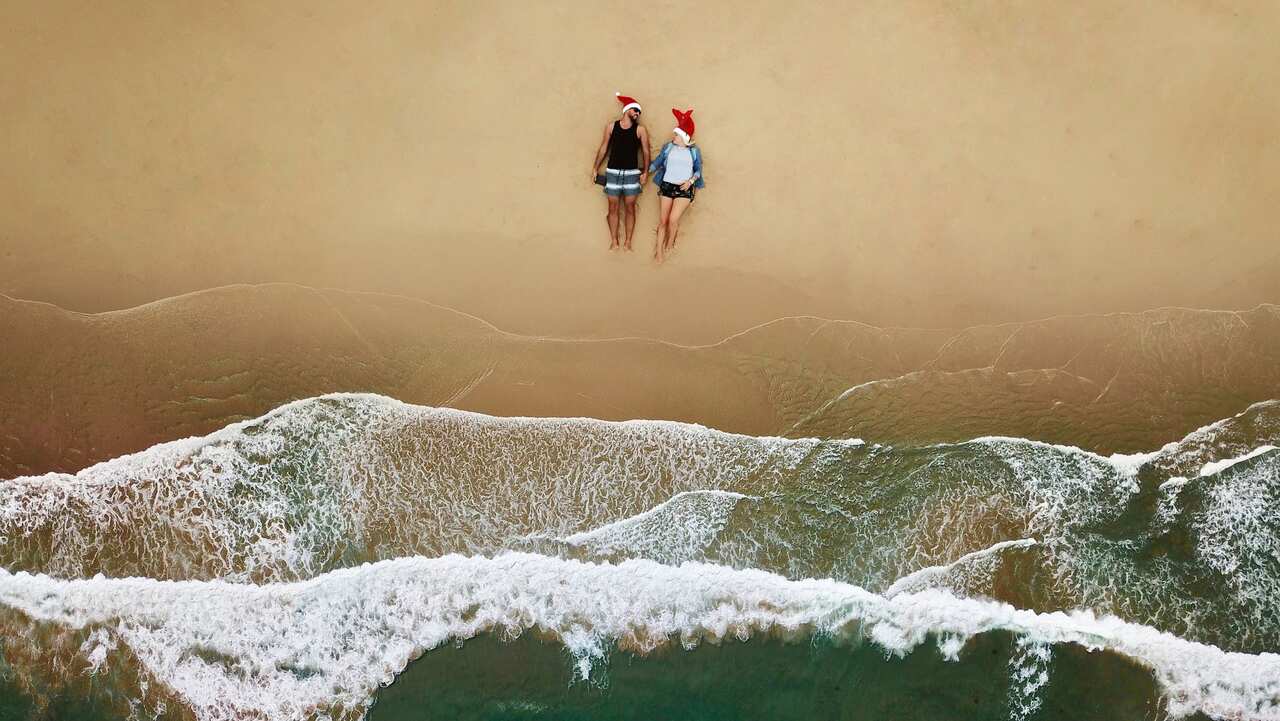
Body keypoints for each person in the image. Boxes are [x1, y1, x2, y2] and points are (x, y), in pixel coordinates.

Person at [590, 93, 651, 251]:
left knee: (630, 207)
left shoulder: (640, 130)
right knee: (613, 208)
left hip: (632, 173)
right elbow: (603, 148)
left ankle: (628, 241)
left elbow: (646, 152)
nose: (637, 114)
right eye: (635, 110)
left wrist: (645, 172)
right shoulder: (611, 127)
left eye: (639, 112)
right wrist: (595, 167)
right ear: (627, 110)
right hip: (613, 172)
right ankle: (614, 241)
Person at [646, 108, 704, 264]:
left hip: (684, 189)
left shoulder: (694, 151)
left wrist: (690, 181)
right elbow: (657, 163)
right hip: (666, 186)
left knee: (673, 219)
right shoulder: (668, 147)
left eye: (677, 135)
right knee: (663, 220)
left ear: (684, 137)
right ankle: (659, 252)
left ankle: (670, 244)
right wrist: (646, 172)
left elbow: (698, 170)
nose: (674, 136)